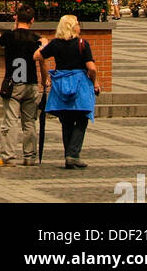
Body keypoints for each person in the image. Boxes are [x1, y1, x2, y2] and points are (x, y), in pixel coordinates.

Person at [35, 14, 99, 169]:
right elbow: (91, 67)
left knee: (67, 121)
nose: (79, 26)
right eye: (77, 23)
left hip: (61, 84)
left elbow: (37, 56)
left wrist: (44, 46)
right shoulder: (82, 43)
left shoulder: (55, 44)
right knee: (82, 118)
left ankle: (68, 155)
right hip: (79, 84)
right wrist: (95, 81)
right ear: (72, 26)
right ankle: (73, 154)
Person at [0, 3, 42, 168]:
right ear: (32, 20)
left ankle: (8, 156)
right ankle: (30, 156)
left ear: (16, 18)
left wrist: (14, 27)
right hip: (31, 83)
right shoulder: (36, 39)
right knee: (29, 122)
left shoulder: (9, 36)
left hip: (13, 83)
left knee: (11, 120)